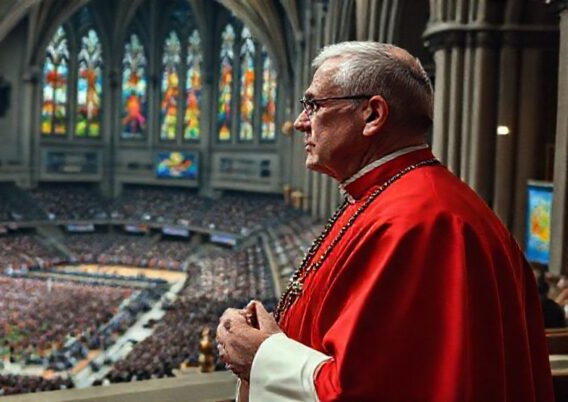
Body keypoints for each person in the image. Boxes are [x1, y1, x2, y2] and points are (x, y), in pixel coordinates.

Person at [216, 41, 553, 401]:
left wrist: (263, 357)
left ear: (373, 115)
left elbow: (376, 388)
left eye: (314, 105)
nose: (300, 123)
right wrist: (274, 335)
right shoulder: (382, 198)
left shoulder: (421, 222)